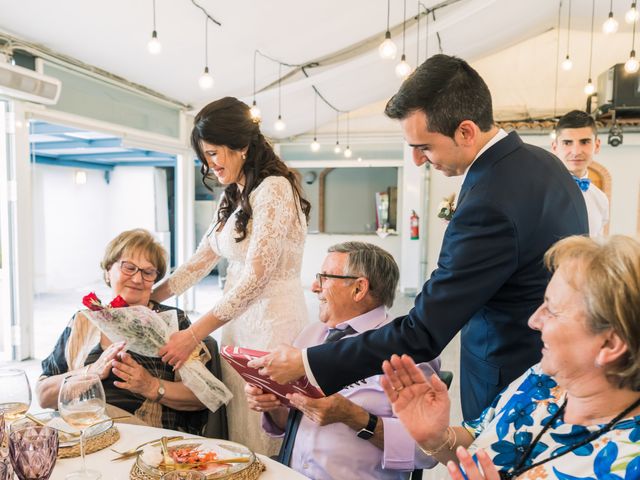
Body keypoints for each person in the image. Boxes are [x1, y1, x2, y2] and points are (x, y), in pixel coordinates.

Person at [251, 54, 589, 421]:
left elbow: (422, 332)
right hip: (559, 364)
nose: (416, 161)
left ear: (465, 131)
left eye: (424, 147)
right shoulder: (545, 164)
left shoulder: (488, 202)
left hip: (510, 378)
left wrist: (307, 361)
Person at [381, 235, 640, 479]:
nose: (534, 321)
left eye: (552, 310)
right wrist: (436, 437)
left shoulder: (629, 461)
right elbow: (477, 444)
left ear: (610, 343)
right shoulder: (541, 380)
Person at [152, 97, 311, 453]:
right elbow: (198, 262)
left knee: (269, 432)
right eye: (205, 156)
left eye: (213, 152)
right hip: (237, 325)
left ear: (241, 145)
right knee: (242, 435)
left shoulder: (274, 188)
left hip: (273, 325)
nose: (209, 164)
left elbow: (256, 276)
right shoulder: (236, 194)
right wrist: (149, 297)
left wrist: (192, 334)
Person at [245, 242, 439, 479]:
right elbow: (294, 427)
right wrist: (274, 405)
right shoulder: (310, 335)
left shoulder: (406, 353)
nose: (314, 287)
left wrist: (353, 417)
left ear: (359, 289)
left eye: (324, 278)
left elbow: (428, 451)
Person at [37, 229, 209, 434]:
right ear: (108, 271)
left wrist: (151, 386)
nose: (137, 279)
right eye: (129, 268)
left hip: (146, 441)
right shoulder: (83, 320)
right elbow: (43, 396)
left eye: (148, 272)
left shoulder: (173, 322)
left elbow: (203, 396)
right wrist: (91, 372)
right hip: (82, 435)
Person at [552, 110, 609, 237]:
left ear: (597, 145)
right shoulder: (540, 193)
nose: (576, 151)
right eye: (567, 142)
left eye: (584, 142)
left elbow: (596, 245)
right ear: (555, 147)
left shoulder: (601, 199)